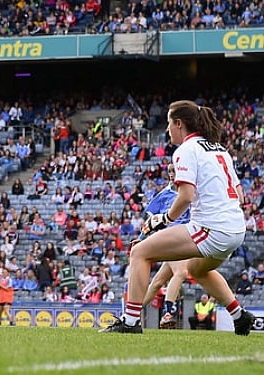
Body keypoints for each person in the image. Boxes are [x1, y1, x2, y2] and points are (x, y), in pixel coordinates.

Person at [101, 101, 255, 335]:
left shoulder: (185, 149)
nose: (167, 129)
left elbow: (186, 196)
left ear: (179, 123)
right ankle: (239, 316)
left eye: (169, 123)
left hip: (212, 228)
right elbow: (241, 195)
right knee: (197, 269)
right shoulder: (219, 149)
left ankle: (130, 322)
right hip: (235, 229)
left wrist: (163, 219)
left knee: (139, 252)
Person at [139, 164, 191, 329]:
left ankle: (129, 313)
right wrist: (141, 238)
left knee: (157, 283)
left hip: (188, 237)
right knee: (181, 272)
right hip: (172, 237)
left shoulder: (192, 192)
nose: (171, 174)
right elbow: (149, 217)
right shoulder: (164, 194)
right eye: (169, 171)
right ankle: (168, 313)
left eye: (174, 171)